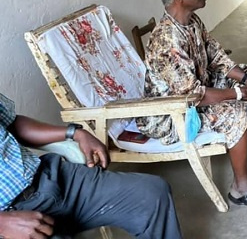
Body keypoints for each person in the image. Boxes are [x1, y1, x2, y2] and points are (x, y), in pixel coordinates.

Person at [137, 0, 247, 216]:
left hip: (197, 90)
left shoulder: (192, 21)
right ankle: (241, 186)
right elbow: (193, 95)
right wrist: (243, 94)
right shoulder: (167, 40)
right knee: (236, 110)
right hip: (168, 115)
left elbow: (215, 57)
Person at [0, 93, 182, 238]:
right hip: (9, 216)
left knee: (151, 194)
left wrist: (74, 133)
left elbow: (11, 123)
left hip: (49, 178)